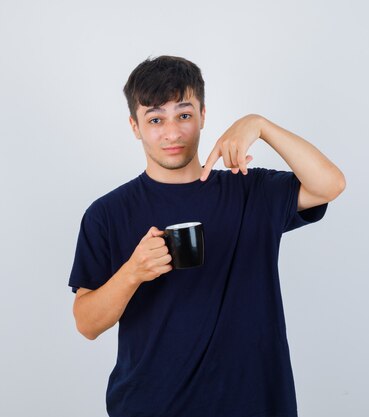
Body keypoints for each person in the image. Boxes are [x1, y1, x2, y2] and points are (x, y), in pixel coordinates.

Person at [69, 55, 346, 417]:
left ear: (202, 115)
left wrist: (258, 124)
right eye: (155, 119)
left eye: (184, 115)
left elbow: (330, 184)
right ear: (135, 126)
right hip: (151, 406)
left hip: (255, 404)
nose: (172, 133)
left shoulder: (250, 190)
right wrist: (133, 272)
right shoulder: (106, 214)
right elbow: (87, 323)